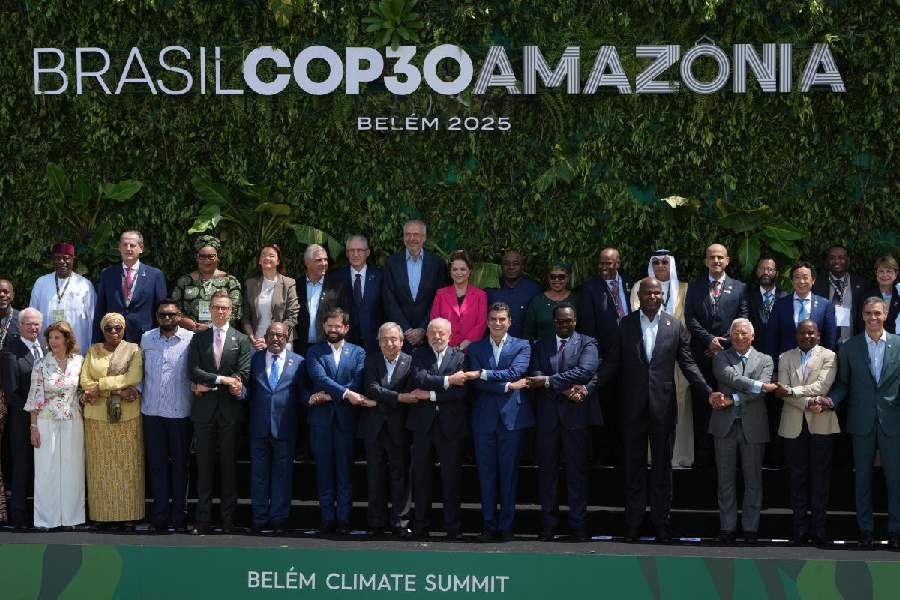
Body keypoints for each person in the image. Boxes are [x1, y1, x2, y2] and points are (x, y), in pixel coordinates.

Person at [598, 278, 712, 542]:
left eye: (657, 292)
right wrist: (588, 387)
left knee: (662, 469)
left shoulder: (674, 326)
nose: (652, 296)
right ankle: (634, 524)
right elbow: (611, 364)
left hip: (663, 409)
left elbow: (689, 364)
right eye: (647, 292)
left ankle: (662, 524)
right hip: (632, 408)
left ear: (663, 295)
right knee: (633, 467)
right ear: (639, 295)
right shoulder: (625, 324)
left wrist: (708, 392)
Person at [824, 297, 900, 548]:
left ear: (885, 314)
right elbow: (843, 384)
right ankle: (865, 530)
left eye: (877, 313)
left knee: (895, 478)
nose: (873, 317)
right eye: (868, 313)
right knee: (863, 479)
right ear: (863, 316)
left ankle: (895, 530)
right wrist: (830, 402)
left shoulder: (899, 345)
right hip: (861, 421)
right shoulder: (849, 347)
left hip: (893, 421)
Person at [526, 303, 600, 542]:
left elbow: (585, 371)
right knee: (547, 474)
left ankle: (578, 525)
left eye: (568, 321)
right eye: (560, 321)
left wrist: (549, 382)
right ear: (553, 322)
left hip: (576, 418)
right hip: (547, 418)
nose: (564, 324)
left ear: (575, 321)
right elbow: (534, 375)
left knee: (576, 473)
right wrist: (563, 388)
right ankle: (548, 525)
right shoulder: (540, 344)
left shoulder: (588, 343)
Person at [464, 302, 532, 542]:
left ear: (510, 322)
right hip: (484, 420)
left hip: (512, 419)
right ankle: (488, 525)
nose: (497, 323)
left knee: (509, 475)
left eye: (502, 319)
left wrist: (483, 373)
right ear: (488, 321)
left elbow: (516, 373)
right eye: (493, 319)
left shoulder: (522, 345)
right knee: (486, 475)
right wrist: (505, 386)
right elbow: (477, 384)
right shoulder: (476, 348)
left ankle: (506, 527)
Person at [187, 291, 252, 534]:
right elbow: (193, 371)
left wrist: (213, 383)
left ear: (231, 311)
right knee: (203, 468)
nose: (220, 312)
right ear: (210, 309)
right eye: (216, 307)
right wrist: (222, 380)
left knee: (228, 469)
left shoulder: (241, 339)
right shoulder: (199, 338)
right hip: (203, 413)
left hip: (230, 413)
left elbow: (243, 374)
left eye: (225, 308)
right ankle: (202, 521)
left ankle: (228, 521)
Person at [772, 320, 839, 545]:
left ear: (818, 335)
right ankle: (799, 532)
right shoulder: (784, 357)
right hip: (793, 427)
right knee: (797, 480)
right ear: (796, 335)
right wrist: (808, 402)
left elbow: (822, 386)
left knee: (820, 481)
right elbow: (781, 391)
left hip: (822, 425)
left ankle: (819, 532)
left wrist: (792, 391)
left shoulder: (829, 356)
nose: (807, 337)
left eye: (811, 333)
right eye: (803, 333)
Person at [709, 318, 776, 544]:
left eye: (744, 333)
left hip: (753, 426)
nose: (739, 337)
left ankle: (750, 528)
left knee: (753, 479)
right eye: (735, 333)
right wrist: (758, 385)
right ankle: (727, 527)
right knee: (725, 480)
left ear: (753, 336)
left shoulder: (766, 360)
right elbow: (730, 377)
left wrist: (734, 399)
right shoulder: (720, 357)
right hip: (724, 427)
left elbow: (760, 393)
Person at [684, 243, 749, 468]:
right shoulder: (694, 286)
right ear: (706, 262)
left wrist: (722, 341)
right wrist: (708, 339)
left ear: (728, 260)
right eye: (712, 257)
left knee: (728, 407)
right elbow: (690, 317)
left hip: (729, 358)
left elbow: (742, 318)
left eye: (720, 257)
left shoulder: (739, 287)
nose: (716, 261)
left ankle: (728, 462)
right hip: (701, 355)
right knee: (703, 407)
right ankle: (703, 461)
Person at [628, 249, 694, 468]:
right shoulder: (640, 287)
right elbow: (639, 317)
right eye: (655, 262)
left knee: (681, 406)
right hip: (649, 362)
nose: (660, 266)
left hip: (678, 358)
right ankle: (650, 457)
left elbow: (686, 323)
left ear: (671, 264)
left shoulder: (684, 288)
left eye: (665, 262)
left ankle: (680, 457)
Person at [306, 307, 367, 534]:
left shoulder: (359, 352)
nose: (333, 329)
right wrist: (345, 395)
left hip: (346, 422)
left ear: (346, 328)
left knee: (345, 471)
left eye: (337, 326)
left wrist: (332, 395)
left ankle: (343, 519)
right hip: (321, 422)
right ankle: (327, 517)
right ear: (323, 326)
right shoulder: (314, 352)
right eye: (329, 325)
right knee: (324, 471)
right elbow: (319, 377)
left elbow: (358, 382)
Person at [80, 312, 145, 527]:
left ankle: (129, 515)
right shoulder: (93, 350)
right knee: (100, 468)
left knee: (128, 466)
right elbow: (85, 382)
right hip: (97, 418)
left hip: (127, 418)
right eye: (109, 328)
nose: (114, 332)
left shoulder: (133, 350)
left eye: (118, 328)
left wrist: (101, 386)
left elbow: (133, 378)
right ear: (102, 330)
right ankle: (101, 515)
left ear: (124, 329)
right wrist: (116, 392)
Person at [408, 317, 468, 539]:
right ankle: (421, 525)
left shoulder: (461, 357)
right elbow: (420, 378)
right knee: (421, 477)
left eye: (442, 333)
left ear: (451, 336)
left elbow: (461, 393)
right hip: (423, 427)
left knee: (451, 478)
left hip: (451, 427)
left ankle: (452, 526)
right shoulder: (418, 355)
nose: (437, 337)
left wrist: (431, 394)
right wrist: (448, 380)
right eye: (433, 333)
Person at [362, 322, 422, 536]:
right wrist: (399, 398)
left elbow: (408, 392)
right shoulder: (371, 360)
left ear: (402, 341)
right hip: (374, 428)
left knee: (401, 475)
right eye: (385, 339)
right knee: (375, 475)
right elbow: (370, 388)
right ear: (378, 342)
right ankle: (376, 522)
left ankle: (400, 522)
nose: (389, 343)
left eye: (394, 339)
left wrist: (382, 398)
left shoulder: (411, 362)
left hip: (400, 428)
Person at [140, 299, 194, 532]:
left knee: (181, 465)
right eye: (162, 315)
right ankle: (160, 516)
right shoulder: (146, 338)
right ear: (157, 316)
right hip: (151, 411)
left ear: (179, 316)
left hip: (180, 411)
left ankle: (179, 516)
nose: (167, 318)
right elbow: (139, 371)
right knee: (157, 466)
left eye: (172, 314)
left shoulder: (190, 340)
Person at [24, 320, 85, 529]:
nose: (53, 341)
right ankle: (46, 519)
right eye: (50, 338)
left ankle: (72, 518)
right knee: (46, 470)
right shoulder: (41, 364)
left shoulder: (79, 361)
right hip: (45, 421)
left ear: (67, 339)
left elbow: (81, 391)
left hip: (73, 420)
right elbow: (35, 397)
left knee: (73, 468)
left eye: (57, 337)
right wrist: (33, 428)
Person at [247, 321, 305, 534]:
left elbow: (302, 395)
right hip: (259, 427)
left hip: (285, 428)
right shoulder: (255, 359)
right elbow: (247, 391)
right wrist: (237, 390)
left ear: (287, 338)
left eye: (280, 335)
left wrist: (316, 398)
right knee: (259, 476)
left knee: (283, 475)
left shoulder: (299, 362)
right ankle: (259, 518)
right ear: (266, 335)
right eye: (272, 334)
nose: (276, 339)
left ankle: (279, 518)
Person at [577, 246, 632, 465]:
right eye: (601, 262)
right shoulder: (589, 289)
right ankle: (605, 458)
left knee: (628, 409)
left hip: (630, 359)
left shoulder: (630, 285)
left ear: (618, 264)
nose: (604, 267)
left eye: (609, 263)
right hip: (604, 360)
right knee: (606, 409)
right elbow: (588, 327)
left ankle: (625, 456)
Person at [1, 308, 45, 529]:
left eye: (36, 324)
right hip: (22, 421)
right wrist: (32, 414)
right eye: (28, 324)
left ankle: (42, 515)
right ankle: (19, 517)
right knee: (22, 467)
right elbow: (11, 393)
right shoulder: (11, 353)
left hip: (47, 421)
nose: (33, 327)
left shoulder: (46, 348)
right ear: (19, 326)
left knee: (43, 468)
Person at [383, 219, 448, 351]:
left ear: (424, 237)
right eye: (407, 234)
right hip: (399, 336)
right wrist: (406, 329)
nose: (411, 238)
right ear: (403, 237)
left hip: (429, 336)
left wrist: (423, 328)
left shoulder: (437, 263)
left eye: (416, 234)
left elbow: (439, 299)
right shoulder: (392, 262)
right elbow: (388, 299)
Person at [93, 230, 167, 343]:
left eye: (132, 245)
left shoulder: (155, 275)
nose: (128, 248)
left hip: (145, 339)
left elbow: (161, 310)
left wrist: (162, 340)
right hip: (113, 338)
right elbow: (100, 310)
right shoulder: (107, 274)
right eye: (124, 245)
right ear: (119, 248)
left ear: (141, 248)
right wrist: (96, 342)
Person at [28, 242, 96, 355]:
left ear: (73, 259)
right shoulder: (41, 283)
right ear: (53, 260)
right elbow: (32, 316)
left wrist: (91, 349)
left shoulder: (84, 285)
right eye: (58, 258)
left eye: (66, 258)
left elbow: (92, 319)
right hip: (47, 348)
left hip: (77, 349)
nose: (62, 262)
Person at [765, 261, 837, 364]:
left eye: (805, 277)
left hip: (816, 364)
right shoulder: (780, 305)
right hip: (786, 364)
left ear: (813, 280)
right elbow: (771, 338)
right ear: (792, 281)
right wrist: (773, 368)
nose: (801, 281)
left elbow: (830, 338)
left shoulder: (825, 305)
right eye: (797, 277)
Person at [173, 235, 242, 331]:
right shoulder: (184, 281)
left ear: (217, 257)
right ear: (196, 257)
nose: (207, 260)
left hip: (220, 335)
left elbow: (235, 312)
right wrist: (188, 323)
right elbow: (175, 309)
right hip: (189, 334)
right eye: (202, 256)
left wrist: (210, 327)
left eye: (211, 256)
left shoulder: (230, 282)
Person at [295, 243, 351, 356]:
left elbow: (346, 316)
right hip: (300, 348)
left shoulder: (337, 287)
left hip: (328, 348)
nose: (324, 263)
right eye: (319, 260)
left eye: (325, 260)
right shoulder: (295, 286)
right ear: (307, 263)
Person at [241, 244, 300, 351]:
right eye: (263, 255)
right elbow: (246, 317)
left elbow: (292, 317)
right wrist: (252, 337)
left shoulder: (288, 283)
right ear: (259, 261)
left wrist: (269, 339)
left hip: (281, 343)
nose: (267, 258)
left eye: (271, 256)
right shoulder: (250, 284)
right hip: (256, 343)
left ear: (278, 261)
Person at [332, 235, 383, 354]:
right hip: (346, 342)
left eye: (360, 250)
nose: (355, 254)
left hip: (374, 342)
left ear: (368, 253)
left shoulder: (381, 277)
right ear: (347, 253)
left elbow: (387, 308)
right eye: (351, 250)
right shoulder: (336, 278)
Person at [429, 249, 487, 352]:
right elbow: (434, 321)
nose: (459, 273)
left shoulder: (480, 295)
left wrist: (463, 345)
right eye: (455, 269)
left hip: (471, 351)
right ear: (450, 273)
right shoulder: (441, 294)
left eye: (463, 269)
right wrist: (445, 346)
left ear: (469, 272)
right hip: (445, 350)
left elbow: (481, 324)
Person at [812, 245, 868, 343]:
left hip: (853, 342)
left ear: (848, 260)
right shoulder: (817, 284)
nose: (837, 261)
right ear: (827, 261)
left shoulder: (862, 284)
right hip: (825, 345)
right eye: (832, 258)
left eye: (841, 257)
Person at [485, 251, 541, 339]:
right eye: (507, 264)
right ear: (501, 267)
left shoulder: (533, 290)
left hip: (523, 347)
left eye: (516, 264)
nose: (511, 267)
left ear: (522, 267)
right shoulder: (491, 288)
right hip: (494, 346)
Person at [0, 278, 19, 524]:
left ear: (12, 295)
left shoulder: (21, 321)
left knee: (14, 450)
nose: (2, 295)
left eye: (5, 291)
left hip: (14, 394)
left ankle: (15, 507)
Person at [523, 261, 578, 341]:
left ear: (568, 277)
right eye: (553, 276)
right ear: (548, 277)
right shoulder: (537, 301)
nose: (556, 280)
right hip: (543, 351)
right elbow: (529, 333)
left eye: (561, 277)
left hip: (572, 350)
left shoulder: (576, 299)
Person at [747, 257, 787, 351]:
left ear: (776, 273)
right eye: (762, 269)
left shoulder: (786, 297)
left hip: (781, 351)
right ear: (757, 272)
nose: (765, 272)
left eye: (769, 269)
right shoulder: (748, 297)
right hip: (755, 351)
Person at [868, 255, 899, 334]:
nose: (885, 275)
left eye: (889, 271)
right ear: (876, 273)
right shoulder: (867, 296)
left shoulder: (899, 294)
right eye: (881, 271)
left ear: (895, 274)